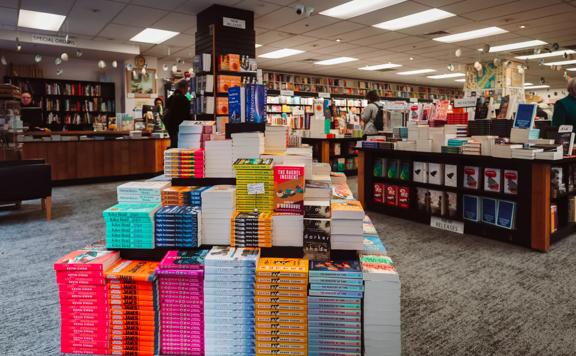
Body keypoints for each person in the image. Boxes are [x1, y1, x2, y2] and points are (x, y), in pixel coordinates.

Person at [164, 80, 191, 148]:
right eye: (187, 88)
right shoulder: (184, 100)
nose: (187, 91)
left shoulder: (170, 98)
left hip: (170, 128)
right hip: (181, 130)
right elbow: (187, 116)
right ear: (184, 88)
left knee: (173, 147)